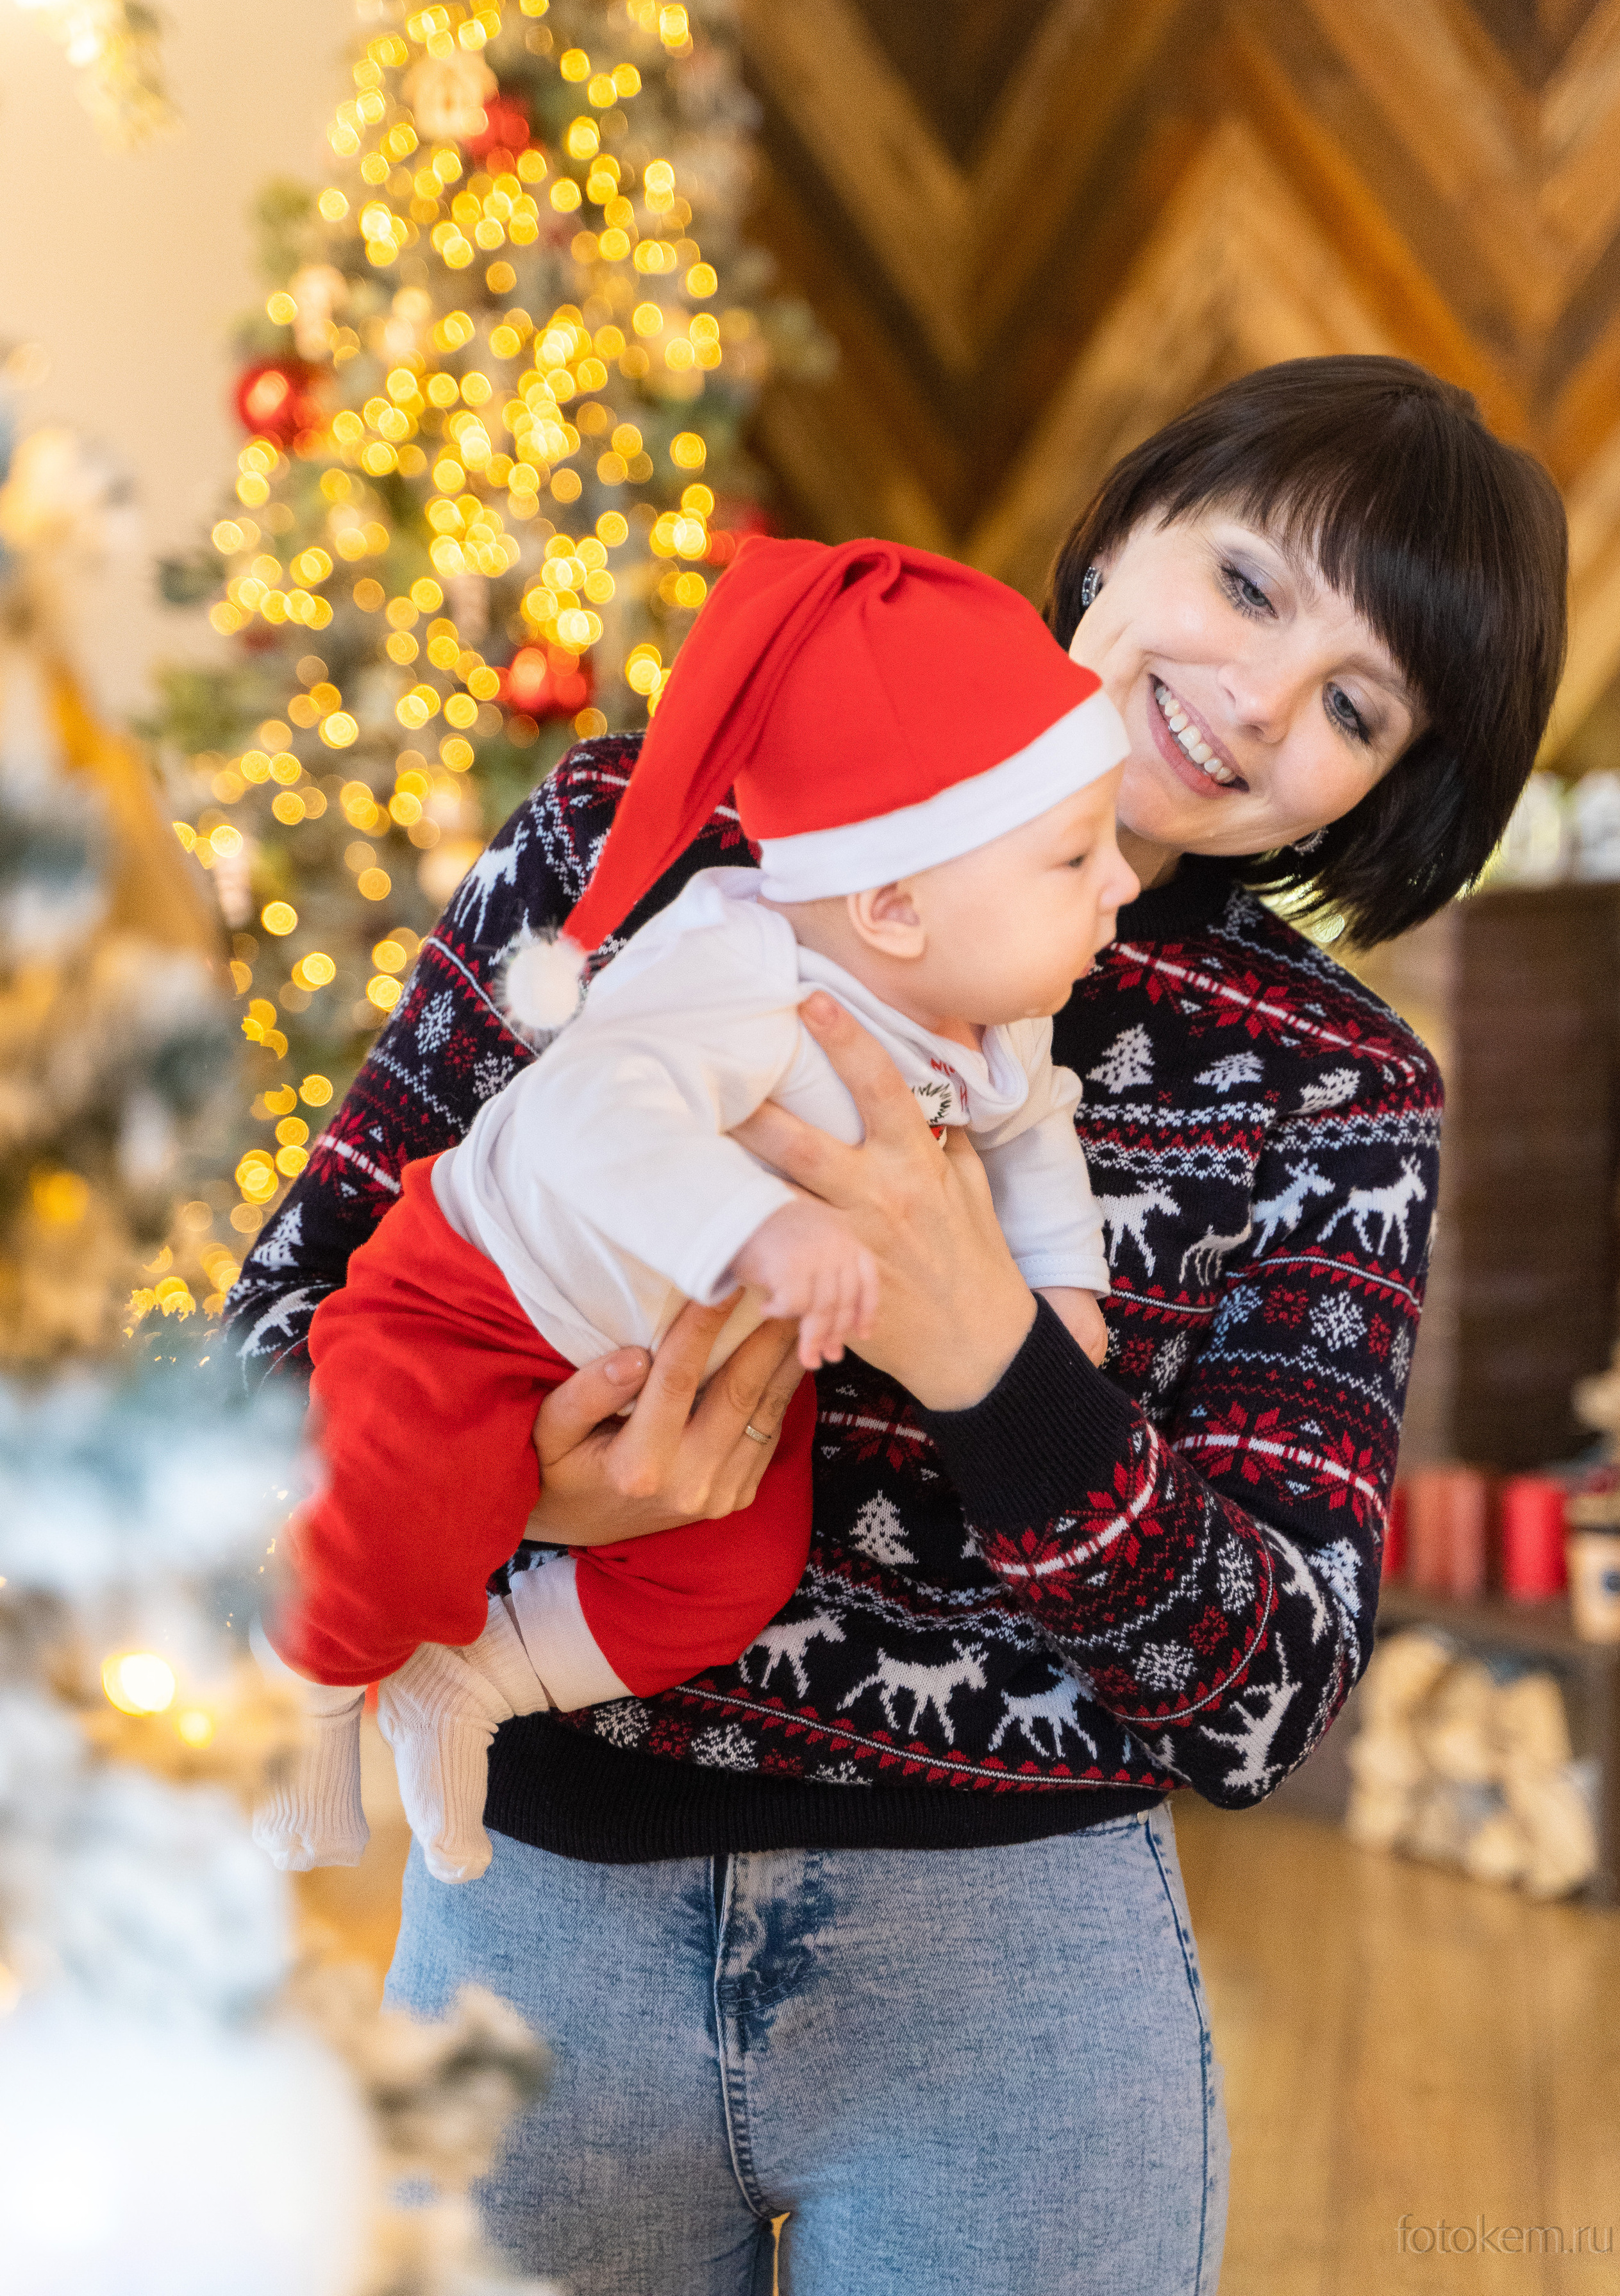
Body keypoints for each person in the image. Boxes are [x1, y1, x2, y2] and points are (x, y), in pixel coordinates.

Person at [227, 357, 1566, 2295]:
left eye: (1358, 704)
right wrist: (521, 1492)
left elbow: (1268, 1691)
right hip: (535, 1934)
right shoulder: (648, 826)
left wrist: (987, 1353)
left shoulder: (1337, 1087)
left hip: (1017, 1994)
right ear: (1121, 533)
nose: (1262, 700)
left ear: (1385, 781)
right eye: (1252, 586)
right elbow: (276, 1331)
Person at [253, 541, 1133, 1884]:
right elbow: (587, 1114)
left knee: (732, 1573)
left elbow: (1033, 1134)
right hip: (480, 1300)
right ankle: (299, 1687)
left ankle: (476, 1686)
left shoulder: (996, 1021)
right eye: (1076, 855)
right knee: (399, 1514)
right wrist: (761, 1232)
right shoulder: (736, 974)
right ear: (892, 904)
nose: (1117, 882)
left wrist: (1061, 1295)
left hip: (703, 1361)